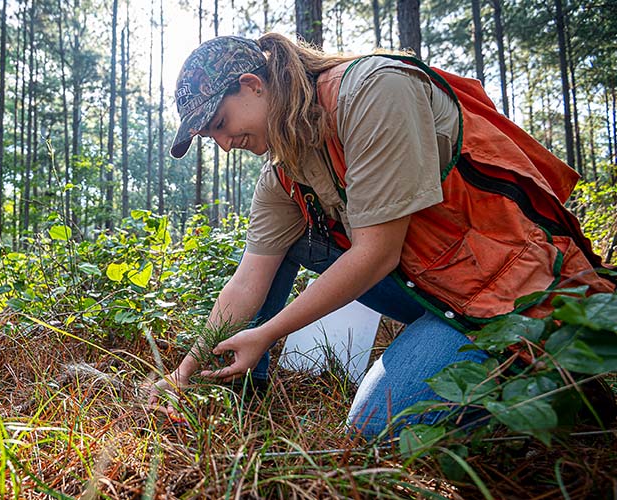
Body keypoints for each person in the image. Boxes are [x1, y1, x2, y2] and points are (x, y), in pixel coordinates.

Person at [149, 34, 615, 438]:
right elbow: (248, 280)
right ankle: (241, 396)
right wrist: (185, 372)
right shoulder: (283, 174)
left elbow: (376, 254)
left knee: (379, 428)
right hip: (428, 283)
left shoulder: (373, 89)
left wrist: (267, 334)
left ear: (252, 86)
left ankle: (549, 367)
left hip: (502, 286)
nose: (225, 144)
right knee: (286, 243)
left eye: (220, 125)